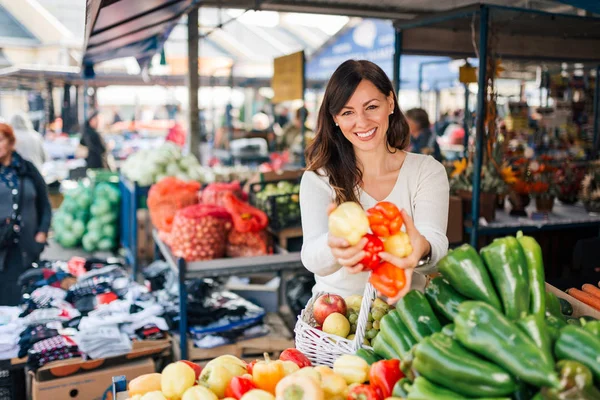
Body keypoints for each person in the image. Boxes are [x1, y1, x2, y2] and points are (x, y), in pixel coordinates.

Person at [300, 60, 449, 303]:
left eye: (371, 107)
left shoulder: (426, 171)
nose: (362, 121)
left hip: (407, 315)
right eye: (348, 112)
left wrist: (421, 249)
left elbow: (436, 243)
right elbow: (312, 258)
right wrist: (334, 245)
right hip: (337, 318)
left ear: (390, 103)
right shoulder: (319, 178)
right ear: (335, 118)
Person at [0, 123, 51, 305]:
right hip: (2, 248)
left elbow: (45, 204)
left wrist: (41, 233)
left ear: (10, 143)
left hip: (28, 245)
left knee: (29, 294)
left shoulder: (27, 169)